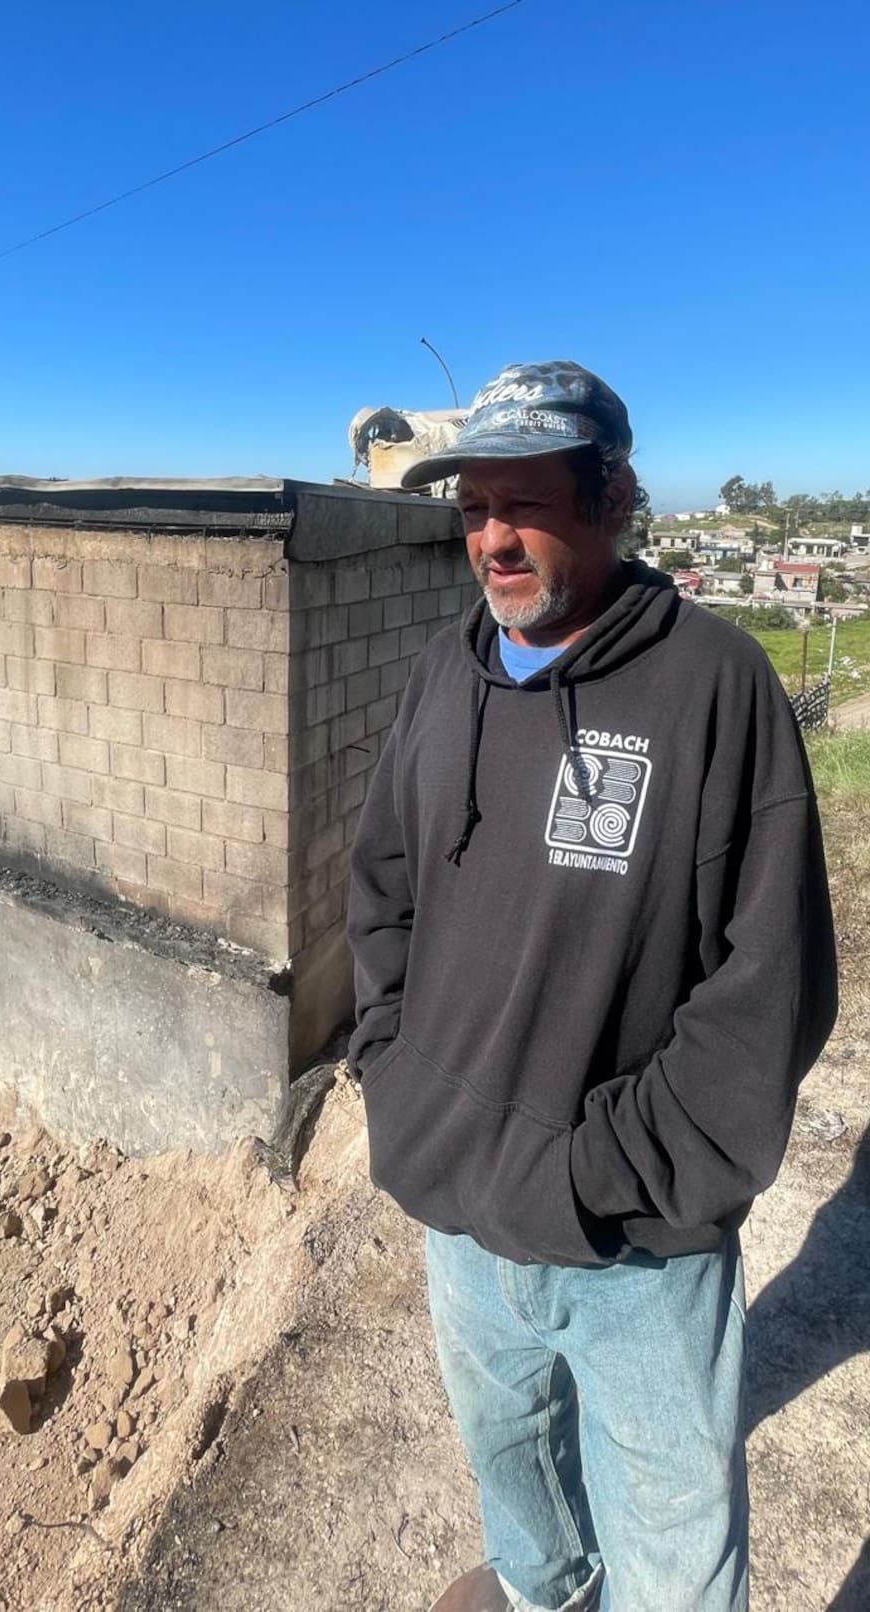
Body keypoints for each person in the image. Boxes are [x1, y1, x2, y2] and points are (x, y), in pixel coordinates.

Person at [345, 360, 838, 1612]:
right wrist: (395, 1077)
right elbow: (383, 888)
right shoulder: (443, 676)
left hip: (636, 1248)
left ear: (611, 498)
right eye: (473, 509)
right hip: (458, 1211)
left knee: (676, 1552)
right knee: (517, 1486)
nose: (495, 538)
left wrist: (596, 1170)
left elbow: (769, 989)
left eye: (527, 503)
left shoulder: (715, 688)